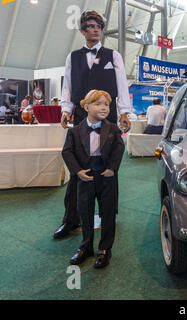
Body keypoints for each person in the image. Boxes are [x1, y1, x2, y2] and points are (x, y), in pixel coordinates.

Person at [54, 10, 132, 239]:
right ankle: (70, 220)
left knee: (109, 167)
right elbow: (67, 85)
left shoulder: (114, 55)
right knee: (79, 169)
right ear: (82, 31)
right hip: (80, 117)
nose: (95, 29)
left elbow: (122, 85)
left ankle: (109, 217)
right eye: (90, 26)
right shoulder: (73, 57)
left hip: (108, 116)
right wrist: (66, 109)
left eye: (98, 25)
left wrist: (125, 113)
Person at [62, 90, 125, 268]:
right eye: (98, 104)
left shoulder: (112, 128)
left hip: (107, 177)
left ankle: (105, 248)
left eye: (106, 104)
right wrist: (77, 171)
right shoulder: (74, 131)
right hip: (86, 177)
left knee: (108, 212)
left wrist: (112, 168)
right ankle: (86, 246)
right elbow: (67, 152)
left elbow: (119, 148)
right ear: (86, 107)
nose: (104, 108)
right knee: (85, 212)